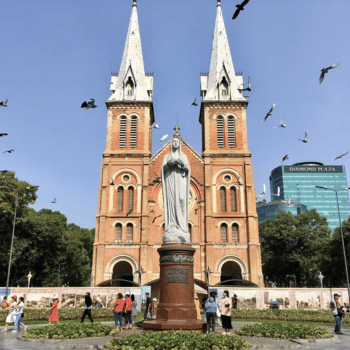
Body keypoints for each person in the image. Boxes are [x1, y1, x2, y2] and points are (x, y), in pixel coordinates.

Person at [161, 135, 191, 244]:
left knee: (182, 199)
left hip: (180, 182)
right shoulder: (166, 157)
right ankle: (172, 225)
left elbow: (188, 168)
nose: (175, 143)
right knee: (172, 203)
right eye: (173, 142)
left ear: (179, 144)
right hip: (170, 183)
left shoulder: (184, 156)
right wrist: (168, 165)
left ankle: (182, 226)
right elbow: (163, 169)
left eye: (177, 142)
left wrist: (182, 165)